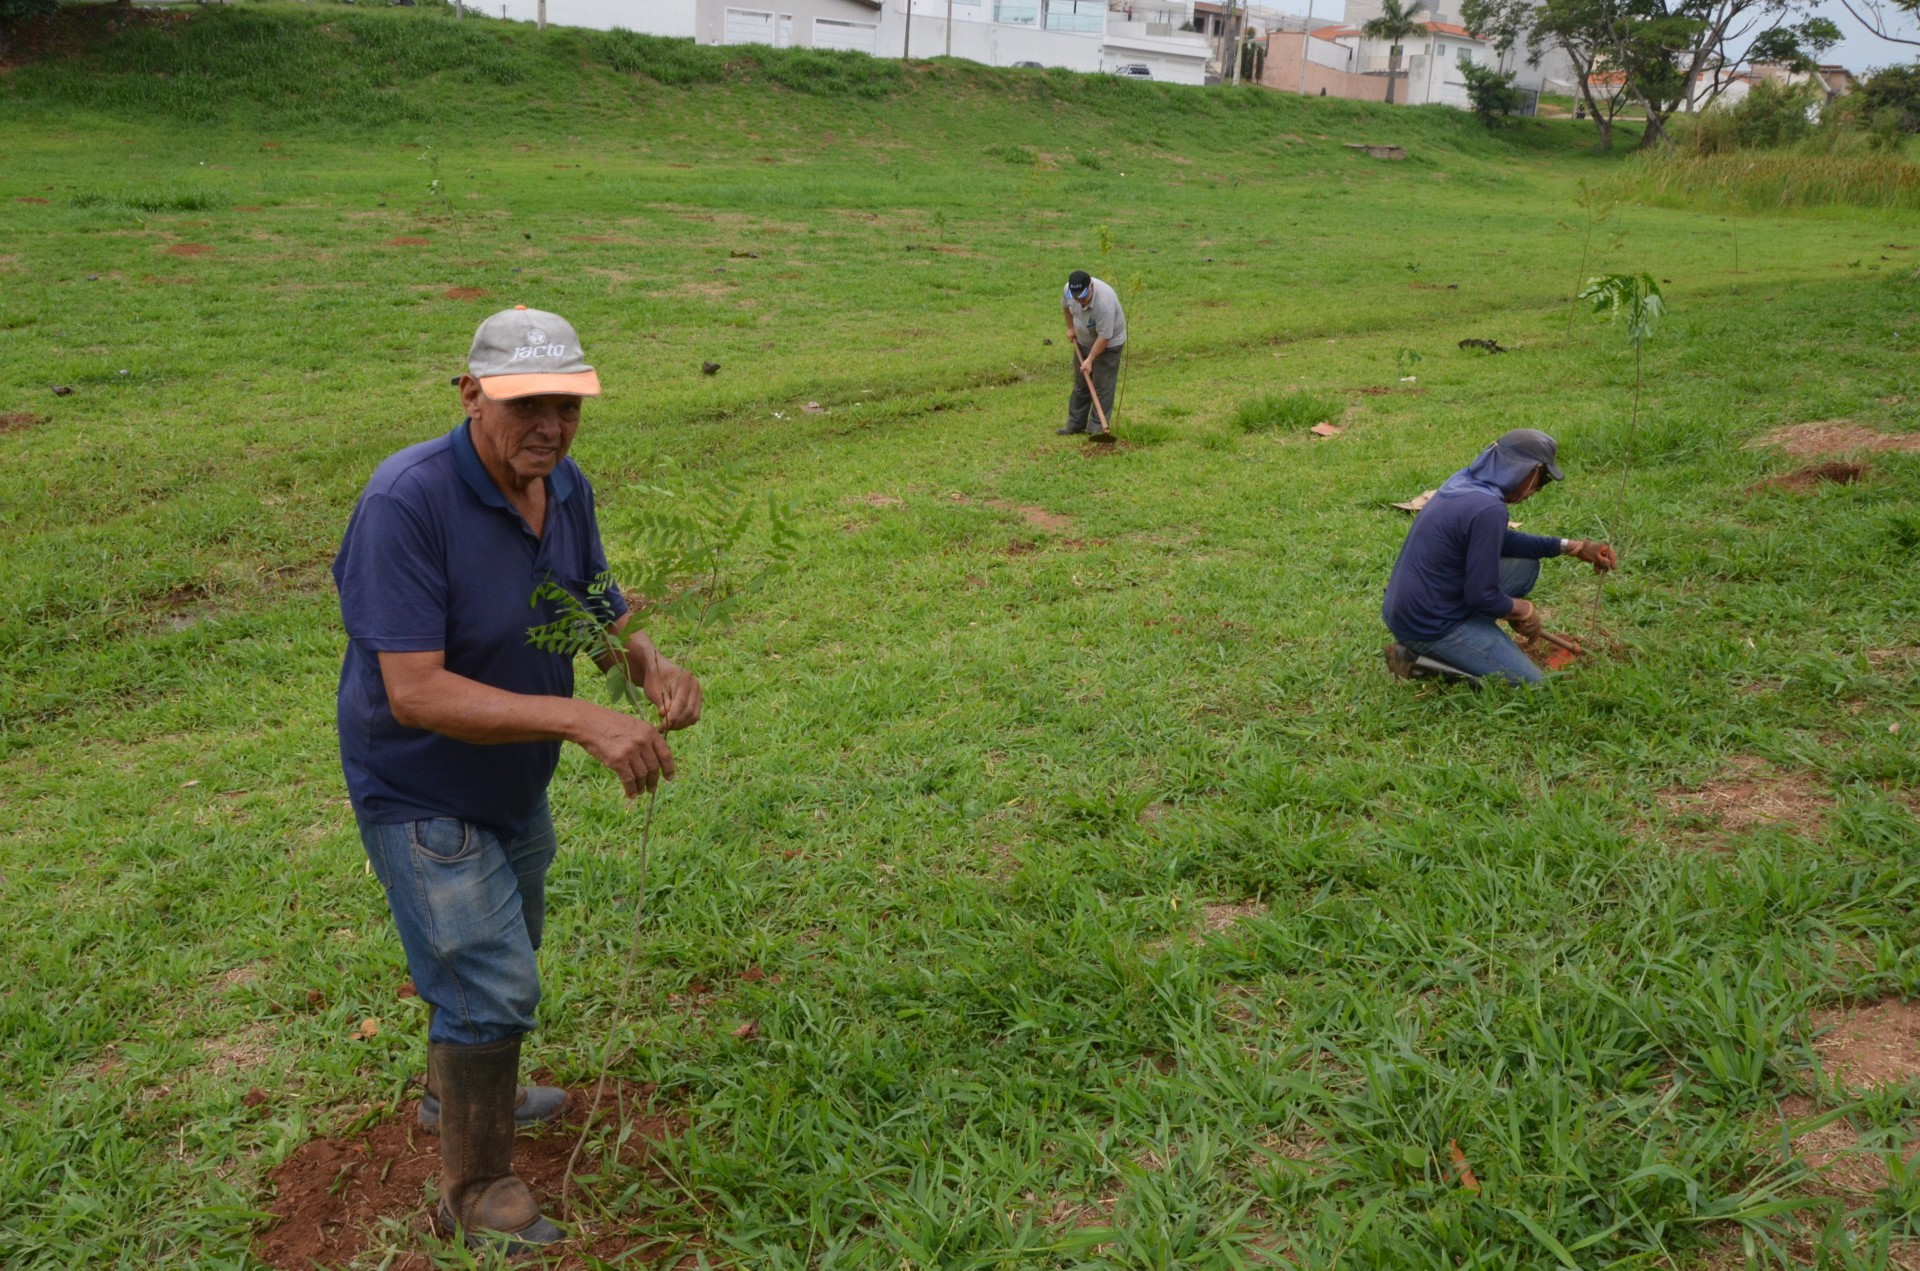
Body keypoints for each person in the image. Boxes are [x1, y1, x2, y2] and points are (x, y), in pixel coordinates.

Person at [332, 307, 701, 1254]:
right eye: (526, 404)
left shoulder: (562, 486)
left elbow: (590, 608)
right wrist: (583, 718)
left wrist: (643, 659)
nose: (550, 425)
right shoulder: (404, 503)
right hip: (420, 785)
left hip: (511, 778)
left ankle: (446, 1088)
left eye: (567, 405)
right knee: (491, 979)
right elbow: (412, 691)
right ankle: (477, 1184)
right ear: (470, 395)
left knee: (497, 950)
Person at [1381, 428, 1617, 685]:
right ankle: (1421, 661)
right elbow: (1481, 595)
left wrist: (1573, 546)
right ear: (1527, 469)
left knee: (1524, 566)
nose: (1538, 489)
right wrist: (1522, 610)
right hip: (1428, 624)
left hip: (1418, 603)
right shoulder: (1488, 508)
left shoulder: (1466, 482)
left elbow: (1501, 541)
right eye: (1543, 478)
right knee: (1532, 683)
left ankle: (1475, 631)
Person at [1059, 269, 1126, 443]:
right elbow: (1066, 307)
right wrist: (1070, 327)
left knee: (1102, 386)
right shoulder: (1068, 291)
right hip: (1083, 340)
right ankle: (1075, 424)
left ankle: (1097, 429)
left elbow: (1104, 337)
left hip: (1109, 343)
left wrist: (1090, 360)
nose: (1080, 300)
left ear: (1091, 286)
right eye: (1077, 297)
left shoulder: (1105, 303)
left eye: (1083, 296)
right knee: (1081, 384)